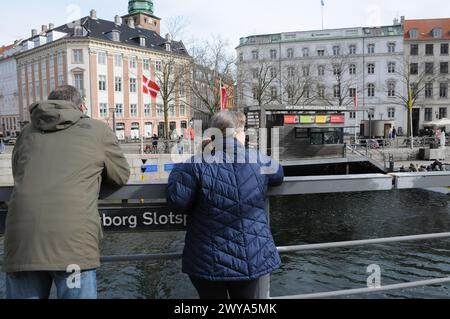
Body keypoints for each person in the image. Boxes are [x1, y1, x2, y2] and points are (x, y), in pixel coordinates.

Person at [3, 85, 130, 299]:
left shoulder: (26, 132)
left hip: (23, 242)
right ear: (81, 107)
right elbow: (120, 175)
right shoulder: (98, 130)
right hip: (74, 244)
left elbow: (19, 174)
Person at [167, 110, 284, 299]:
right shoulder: (258, 159)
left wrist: (179, 169)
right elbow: (278, 175)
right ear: (238, 133)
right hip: (249, 255)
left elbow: (177, 202)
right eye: (243, 130)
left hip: (206, 258)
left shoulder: (194, 164)